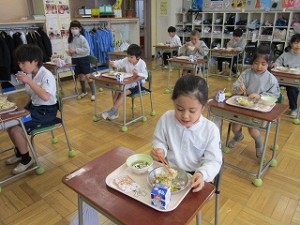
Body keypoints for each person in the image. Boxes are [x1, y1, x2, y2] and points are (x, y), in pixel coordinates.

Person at [150, 75, 222, 192]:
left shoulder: (210, 130)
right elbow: (159, 140)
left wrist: (202, 173)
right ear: (174, 103)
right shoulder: (166, 118)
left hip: (195, 176)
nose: (185, 115)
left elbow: (213, 161)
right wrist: (160, 149)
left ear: (203, 107)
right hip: (168, 170)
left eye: (192, 111)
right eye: (179, 109)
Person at [6, 44, 58, 174]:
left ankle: (26, 159)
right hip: (35, 107)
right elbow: (32, 96)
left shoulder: (46, 75)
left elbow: (45, 96)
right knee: (9, 122)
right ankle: (20, 152)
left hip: (46, 112)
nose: (21, 66)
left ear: (35, 61)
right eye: (19, 63)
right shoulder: (30, 74)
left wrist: (28, 82)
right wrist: (23, 108)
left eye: (23, 63)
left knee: (15, 127)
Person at [228, 45, 280, 158]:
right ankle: (238, 136)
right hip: (242, 106)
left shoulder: (271, 79)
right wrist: (239, 89)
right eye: (256, 63)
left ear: (269, 64)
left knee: (253, 130)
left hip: (258, 109)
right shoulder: (246, 73)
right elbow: (235, 87)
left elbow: (275, 95)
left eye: (263, 64)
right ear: (252, 62)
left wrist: (260, 96)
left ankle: (259, 145)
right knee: (235, 126)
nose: (259, 66)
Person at [101, 44, 148, 120]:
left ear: (138, 57)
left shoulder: (142, 63)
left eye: (131, 57)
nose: (129, 58)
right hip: (128, 83)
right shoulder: (127, 60)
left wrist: (138, 74)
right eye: (128, 56)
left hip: (137, 85)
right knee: (116, 91)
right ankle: (115, 112)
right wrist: (112, 63)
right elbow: (119, 63)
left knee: (123, 93)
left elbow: (145, 75)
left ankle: (112, 111)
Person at [66, 20, 95, 101]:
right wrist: (69, 52)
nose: (74, 29)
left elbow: (87, 50)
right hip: (75, 59)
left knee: (88, 76)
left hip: (83, 59)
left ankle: (93, 93)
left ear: (79, 28)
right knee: (80, 76)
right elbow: (71, 50)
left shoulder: (82, 38)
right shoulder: (70, 38)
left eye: (75, 28)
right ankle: (84, 91)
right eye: (72, 28)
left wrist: (75, 50)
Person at [272, 33, 300, 118]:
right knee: (272, 84)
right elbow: (278, 61)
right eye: (296, 43)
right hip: (284, 77)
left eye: (299, 43)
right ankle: (273, 102)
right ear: (291, 44)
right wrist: (275, 65)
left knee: (292, 88)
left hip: (296, 79)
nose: (298, 45)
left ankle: (294, 108)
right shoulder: (286, 53)